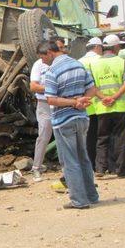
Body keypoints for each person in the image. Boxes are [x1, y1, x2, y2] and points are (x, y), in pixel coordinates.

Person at [40, 40, 99, 209]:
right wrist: (82, 101)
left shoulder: (52, 71)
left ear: (49, 53)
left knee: (70, 161)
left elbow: (51, 99)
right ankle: (91, 196)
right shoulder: (78, 65)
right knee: (84, 158)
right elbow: (93, 89)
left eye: (43, 58)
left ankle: (79, 200)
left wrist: (73, 102)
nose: (43, 62)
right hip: (82, 118)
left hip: (64, 121)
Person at [90, 34, 125, 178]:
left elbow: (92, 86)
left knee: (102, 138)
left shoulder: (94, 64)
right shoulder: (122, 62)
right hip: (120, 107)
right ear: (115, 47)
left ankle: (100, 169)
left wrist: (104, 98)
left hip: (102, 107)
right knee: (120, 138)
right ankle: (121, 170)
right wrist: (114, 97)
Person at [78, 37, 103, 167]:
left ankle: (90, 165)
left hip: (86, 106)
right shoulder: (101, 60)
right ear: (98, 47)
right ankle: (103, 165)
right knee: (102, 138)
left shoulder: (79, 62)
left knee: (89, 138)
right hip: (103, 105)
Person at [29, 55, 51, 182]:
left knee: (63, 135)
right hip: (44, 103)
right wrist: (52, 89)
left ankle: (67, 168)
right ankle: (36, 167)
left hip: (62, 103)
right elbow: (34, 86)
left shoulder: (63, 63)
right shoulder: (39, 64)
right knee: (44, 135)